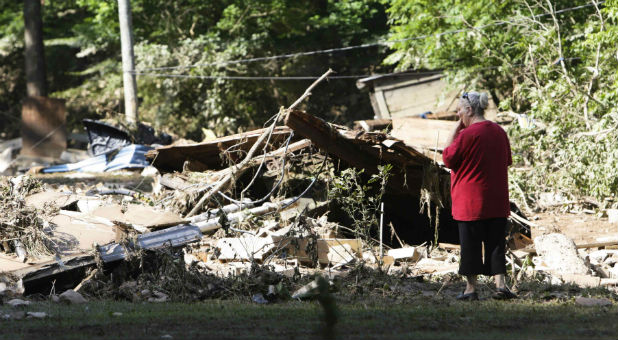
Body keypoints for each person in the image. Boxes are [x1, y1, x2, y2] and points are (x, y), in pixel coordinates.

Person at [442, 91, 516, 301]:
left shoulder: (467, 135)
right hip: (496, 199)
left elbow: (447, 157)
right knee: (496, 244)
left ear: (469, 110)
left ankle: (470, 289)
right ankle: (501, 286)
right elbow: (506, 161)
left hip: (470, 201)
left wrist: (455, 129)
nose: (458, 115)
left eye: (459, 111)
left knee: (470, 245)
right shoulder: (499, 132)